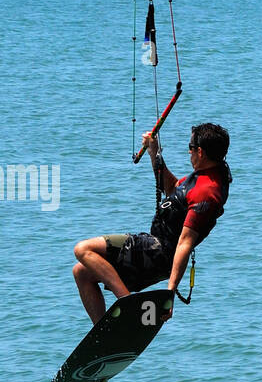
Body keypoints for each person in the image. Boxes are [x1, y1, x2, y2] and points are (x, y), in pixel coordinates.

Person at [72, 122, 230, 324]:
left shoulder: (207, 192)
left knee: (83, 249)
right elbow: (173, 188)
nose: (188, 152)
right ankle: (106, 332)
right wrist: (154, 153)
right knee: (82, 272)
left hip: (158, 253)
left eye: (190, 148)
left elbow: (185, 243)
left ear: (200, 151)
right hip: (153, 247)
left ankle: (127, 302)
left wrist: (169, 293)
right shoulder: (206, 176)